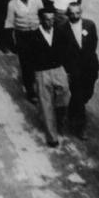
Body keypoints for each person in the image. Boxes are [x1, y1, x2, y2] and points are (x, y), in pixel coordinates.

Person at [26, 8, 71, 147]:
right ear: (40, 19)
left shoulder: (59, 32)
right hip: (42, 72)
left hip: (58, 69)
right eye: (47, 19)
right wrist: (33, 79)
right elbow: (29, 59)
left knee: (64, 96)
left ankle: (58, 119)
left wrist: (66, 70)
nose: (50, 22)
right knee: (46, 105)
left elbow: (65, 50)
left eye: (52, 19)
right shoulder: (33, 36)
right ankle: (52, 137)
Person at [59, 2, 99, 139]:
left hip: (90, 68)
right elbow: (62, 53)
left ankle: (71, 111)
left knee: (87, 94)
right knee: (79, 96)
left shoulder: (90, 25)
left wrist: (91, 64)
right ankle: (80, 127)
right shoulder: (62, 29)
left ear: (81, 13)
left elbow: (94, 44)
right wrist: (67, 71)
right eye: (72, 13)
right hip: (74, 70)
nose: (75, 16)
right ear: (67, 14)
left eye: (77, 13)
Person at [5, 0, 43, 102]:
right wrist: (11, 42)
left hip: (37, 34)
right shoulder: (12, 4)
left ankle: (42, 87)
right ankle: (30, 91)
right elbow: (9, 23)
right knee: (26, 64)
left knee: (40, 61)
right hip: (22, 36)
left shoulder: (36, 0)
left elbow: (43, 15)